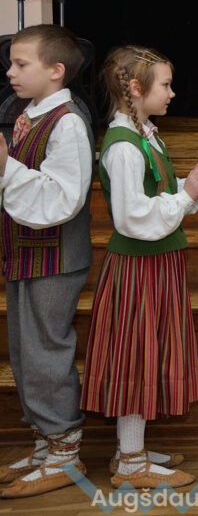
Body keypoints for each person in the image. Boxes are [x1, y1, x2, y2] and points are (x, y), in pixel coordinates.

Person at [80, 45, 198, 489]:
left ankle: (132, 448)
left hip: (157, 265)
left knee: (147, 353)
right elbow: (133, 217)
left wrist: (189, 187)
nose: (172, 93)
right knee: (135, 357)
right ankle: (130, 462)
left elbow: (157, 194)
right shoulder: (124, 147)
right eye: (165, 84)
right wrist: (186, 194)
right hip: (138, 268)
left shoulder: (145, 135)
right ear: (136, 89)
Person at [0, 26, 92, 498]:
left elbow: (64, 199)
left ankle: (65, 452)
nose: (10, 72)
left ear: (56, 71)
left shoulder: (68, 122)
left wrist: (5, 166)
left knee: (46, 353)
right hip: (26, 253)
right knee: (26, 352)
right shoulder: (30, 113)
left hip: (54, 257)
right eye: (11, 63)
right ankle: (44, 443)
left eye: (21, 64)